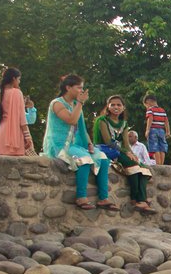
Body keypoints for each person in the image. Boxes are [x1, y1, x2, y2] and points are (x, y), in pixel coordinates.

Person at [42, 75, 117, 211]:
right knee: (85, 160)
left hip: (73, 145)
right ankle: (81, 197)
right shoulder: (57, 103)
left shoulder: (76, 105)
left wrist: (89, 144)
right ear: (68, 88)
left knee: (103, 158)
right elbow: (71, 120)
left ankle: (103, 198)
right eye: (79, 88)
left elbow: (82, 129)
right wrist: (80, 104)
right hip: (58, 145)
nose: (81, 91)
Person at [93, 95, 156, 214]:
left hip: (119, 150)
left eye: (119, 105)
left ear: (123, 107)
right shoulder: (102, 121)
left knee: (144, 169)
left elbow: (126, 144)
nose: (116, 107)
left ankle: (139, 200)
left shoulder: (124, 123)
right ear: (108, 106)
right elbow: (108, 141)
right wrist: (126, 153)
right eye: (113, 104)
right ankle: (138, 199)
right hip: (106, 150)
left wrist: (133, 155)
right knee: (134, 167)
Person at [0, 68, 33, 156]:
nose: (19, 82)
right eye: (19, 79)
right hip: (15, 132)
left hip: (2, 131)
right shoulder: (17, 93)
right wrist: (27, 136)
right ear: (14, 79)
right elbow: (22, 117)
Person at [143, 94, 170, 166]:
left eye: (146, 105)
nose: (146, 107)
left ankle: (158, 164)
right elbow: (166, 121)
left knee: (155, 147)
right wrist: (168, 131)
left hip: (153, 130)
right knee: (162, 147)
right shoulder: (162, 110)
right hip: (161, 130)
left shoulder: (150, 110)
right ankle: (162, 163)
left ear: (148, 102)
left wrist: (147, 130)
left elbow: (150, 119)